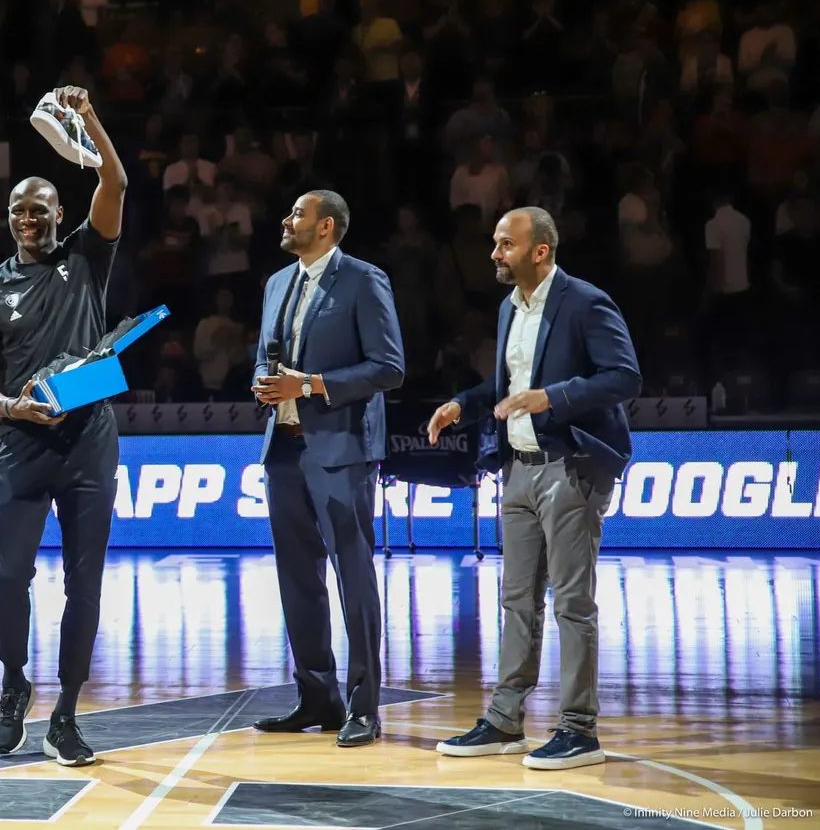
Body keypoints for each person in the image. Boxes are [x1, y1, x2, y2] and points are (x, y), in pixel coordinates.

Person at [426, 206, 641, 770]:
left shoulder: (585, 301)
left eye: (505, 244)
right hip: (518, 467)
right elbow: (507, 387)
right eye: (496, 244)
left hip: (572, 465)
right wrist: (464, 405)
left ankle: (579, 729)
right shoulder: (509, 307)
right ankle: (504, 720)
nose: (495, 253)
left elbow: (624, 376)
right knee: (516, 600)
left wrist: (554, 396)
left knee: (572, 601)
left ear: (539, 250)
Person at [0, 85, 126, 767]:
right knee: (9, 579)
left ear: (61, 213)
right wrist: (12, 407)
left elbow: (115, 179)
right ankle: (13, 682)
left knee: (84, 584)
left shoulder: (88, 256)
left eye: (40, 209)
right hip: (22, 444)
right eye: (18, 211)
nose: (29, 218)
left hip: (89, 442)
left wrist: (86, 120)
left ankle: (65, 713)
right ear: (9, 219)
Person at [250, 189, 405, 748]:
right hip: (284, 447)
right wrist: (264, 385)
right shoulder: (275, 283)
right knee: (297, 579)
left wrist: (312, 385)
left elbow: (389, 367)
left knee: (353, 576)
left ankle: (365, 705)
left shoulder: (364, 280)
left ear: (327, 228)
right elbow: (266, 354)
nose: (286, 220)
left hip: (341, 449)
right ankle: (318, 697)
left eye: (297, 214)